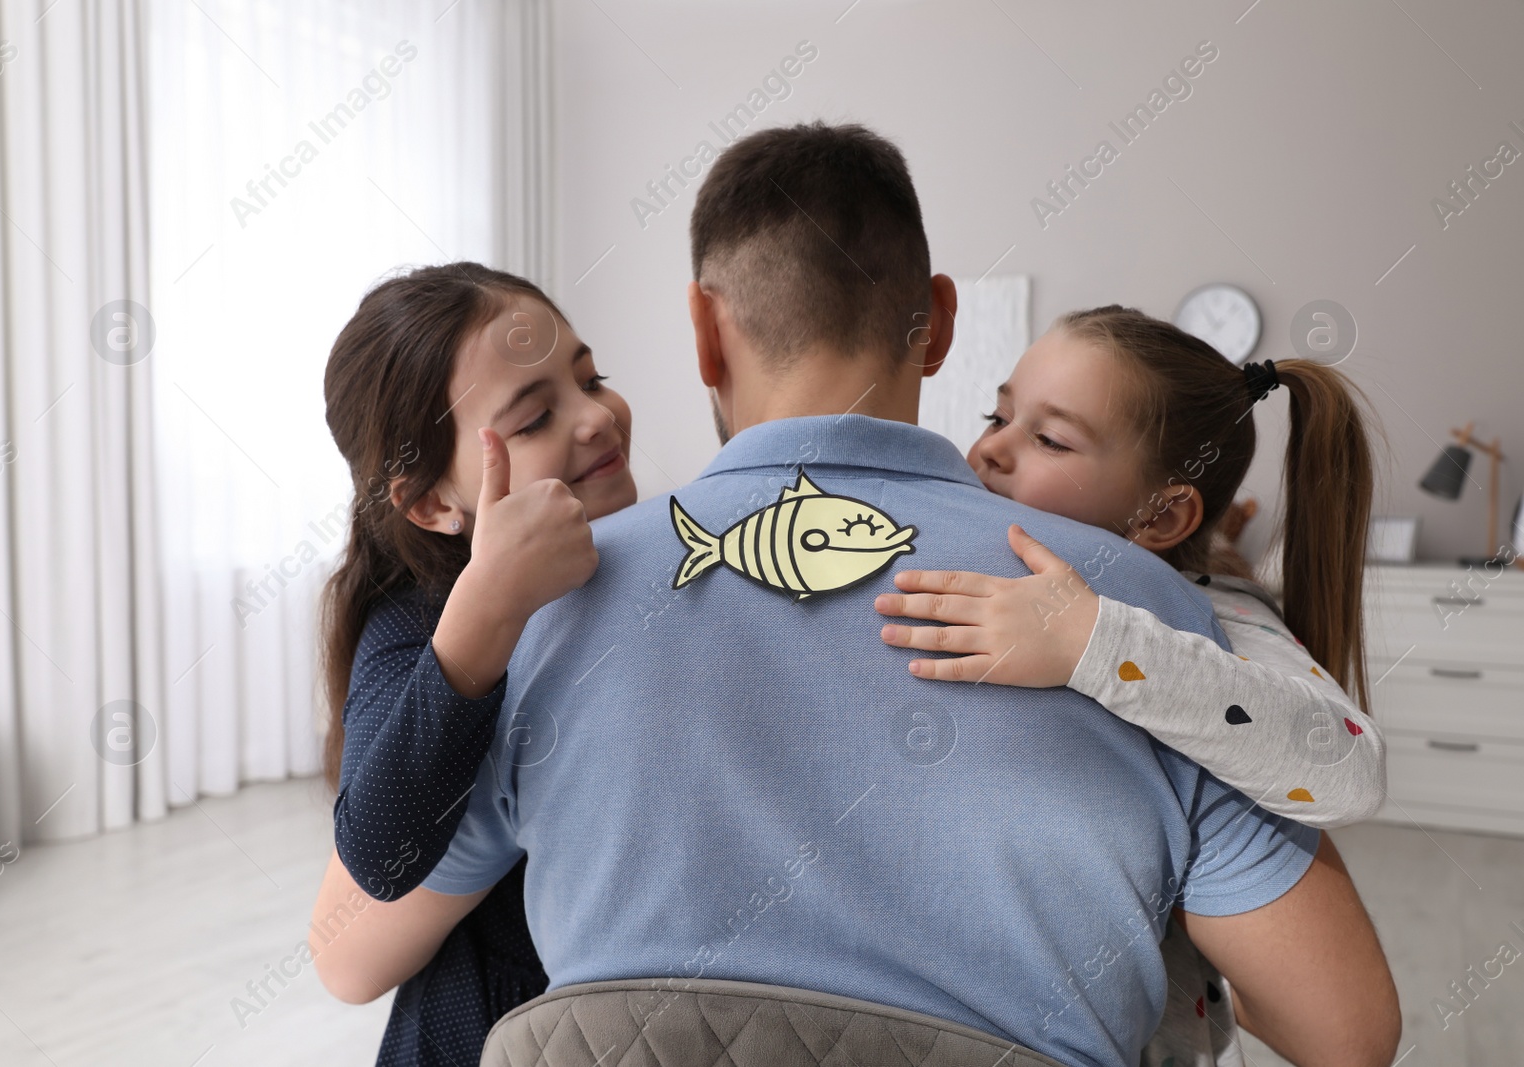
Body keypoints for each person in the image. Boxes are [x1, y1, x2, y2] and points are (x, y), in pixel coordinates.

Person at [313, 122, 1400, 1067]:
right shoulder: (1139, 616)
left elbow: (352, 951)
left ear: (701, 329)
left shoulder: (544, 613)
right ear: (936, 314)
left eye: (588, 381)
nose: (594, 420)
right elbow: (1347, 1032)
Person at [874, 308, 1387, 1066]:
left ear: (1163, 513)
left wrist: (1090, 641)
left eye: (1048, 438)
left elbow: (1351, 769)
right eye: (1000, 415)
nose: (988, 450)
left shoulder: (1219, 617)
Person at [311, 262, 636, 1065]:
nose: (597, 417)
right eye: (534, 420)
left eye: (592, 377)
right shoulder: (416, 620)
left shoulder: (648, 556)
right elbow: (378, 853)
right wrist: (488, 609)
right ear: (431, 504)